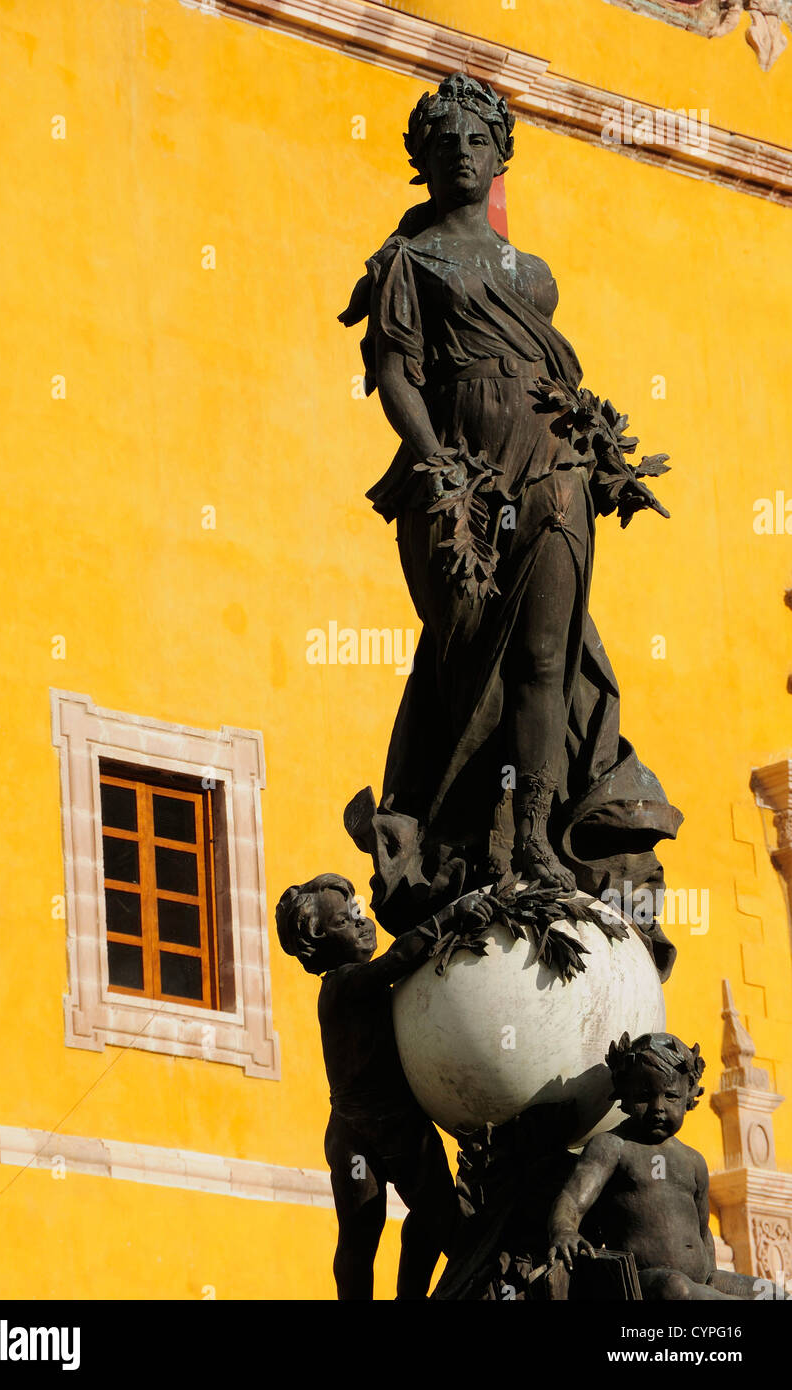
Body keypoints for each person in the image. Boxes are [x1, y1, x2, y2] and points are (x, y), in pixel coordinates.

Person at [341, 74, 681, 979]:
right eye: (444, 138)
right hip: (455, 472)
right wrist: (437, 464)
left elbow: (554, 380)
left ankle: (532, 831)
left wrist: (600, 446)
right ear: (421, 158)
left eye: (476, 139)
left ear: (499, 156)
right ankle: (461, 831)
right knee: (462, 659)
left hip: (551, 461)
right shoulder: (404, 266)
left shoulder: (532, 276)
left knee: (546, 657)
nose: (461, 151)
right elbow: (398, 375)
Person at [276, 872, 496, 1299]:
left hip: (354, 1130)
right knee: (419, 1226)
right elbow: (396, 960)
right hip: (386, 1128)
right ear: (317, 944)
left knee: (408, 1222)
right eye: (343, 922)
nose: (360, 921)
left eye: (357, 911)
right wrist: (449, 917)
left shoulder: (360, 984)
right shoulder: (342, 984)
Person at [547, 1032, 785, 1299]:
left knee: (772, 1292)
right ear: (625, 1094)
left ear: (688, 1097)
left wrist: (711, 1277)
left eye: (670, 1096)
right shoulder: (612, 1146)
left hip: (702, 1282)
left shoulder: (693, 1161)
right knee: (676, 1288)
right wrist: (564, 1230)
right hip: (644, 1282)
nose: (658, 1107)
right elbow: (572, 1199)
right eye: (645, 1095)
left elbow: (703, 1231)